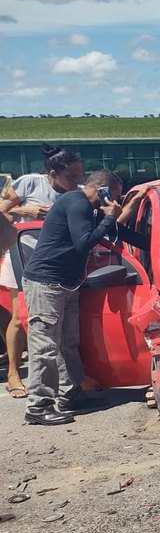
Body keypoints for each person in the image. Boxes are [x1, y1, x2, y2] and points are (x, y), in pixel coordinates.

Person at [21, 170, 147, 426]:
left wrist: (154, 244)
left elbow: (116, 233)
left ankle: (70, 394)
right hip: (46, 283)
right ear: (101, 189)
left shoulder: (89, 209)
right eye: (114, 195)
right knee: (45, 346)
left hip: (66, 283)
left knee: (68, 343)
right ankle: (38, 405)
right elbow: (83, 243)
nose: (116, 201)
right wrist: (108, 217)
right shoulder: (76, 203)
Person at [0, 144, 85, 400]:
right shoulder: (30, 183)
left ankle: (69, 386)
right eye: (71, 176)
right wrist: (25, 211)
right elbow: (3, 209)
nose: (76, 181)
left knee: (61, 331)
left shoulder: (76, 194)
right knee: (19, 317)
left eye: (80, 176)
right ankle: (14, 374)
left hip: (55, 265)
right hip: (23, 255)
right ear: (52, 174)